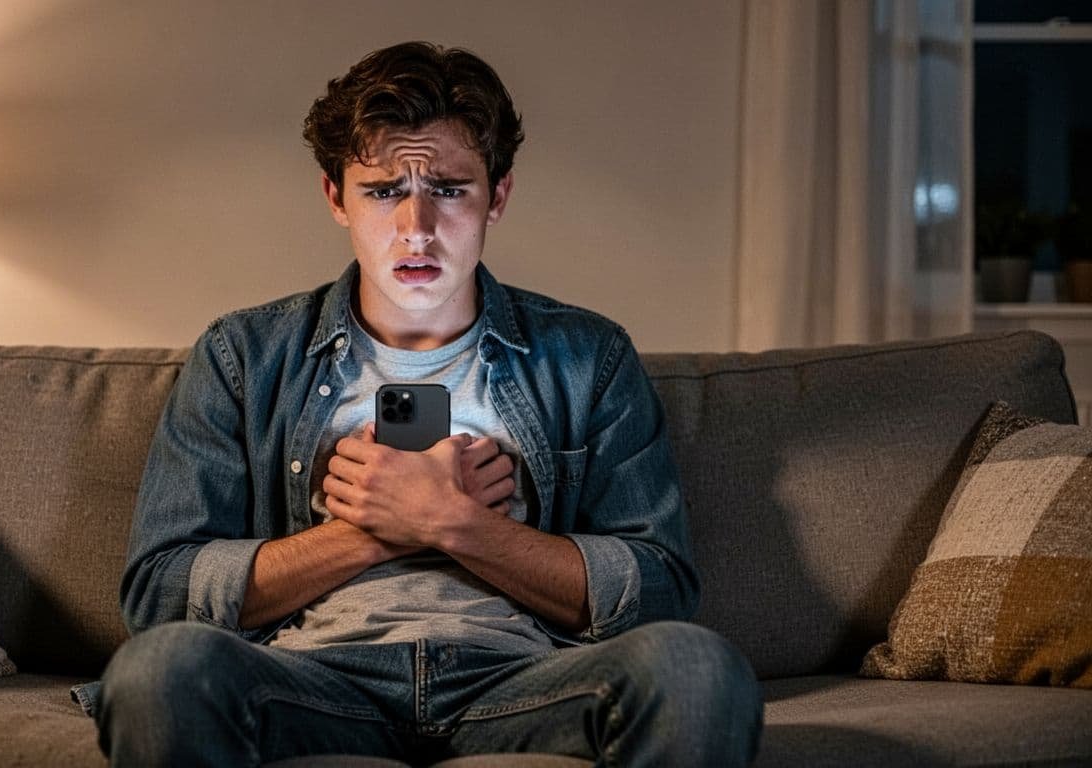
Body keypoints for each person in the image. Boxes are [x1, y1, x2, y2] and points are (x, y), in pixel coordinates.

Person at [95, 41, 763, 766]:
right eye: (383, 191)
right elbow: (159, 594)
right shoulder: (242, 356)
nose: (417, 227)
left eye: (449, 188)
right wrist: (378, 527)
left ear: (496, 196)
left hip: (523, 679)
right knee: (158, 671)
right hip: (310, 679)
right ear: (335, 197)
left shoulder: (591, 356)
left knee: (697, 667)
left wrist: (456, 522)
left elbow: (660, 585)